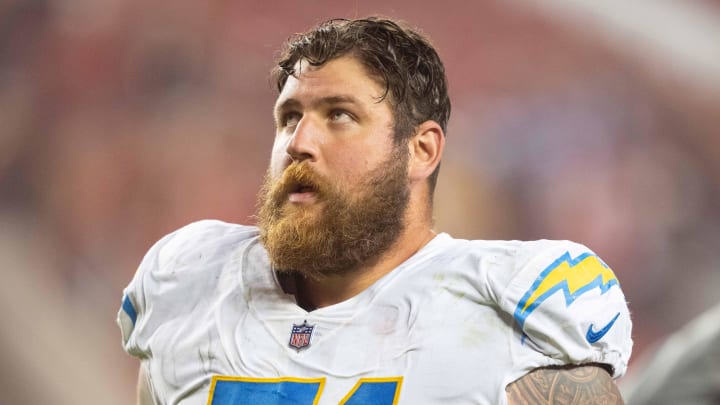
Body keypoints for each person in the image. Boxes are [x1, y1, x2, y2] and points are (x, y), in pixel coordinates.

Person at [117, 17, 633, 404]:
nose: (299, 142)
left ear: (422, 150)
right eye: (289, 117)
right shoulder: (192, 281)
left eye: (339, 115)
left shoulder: (514, 308)